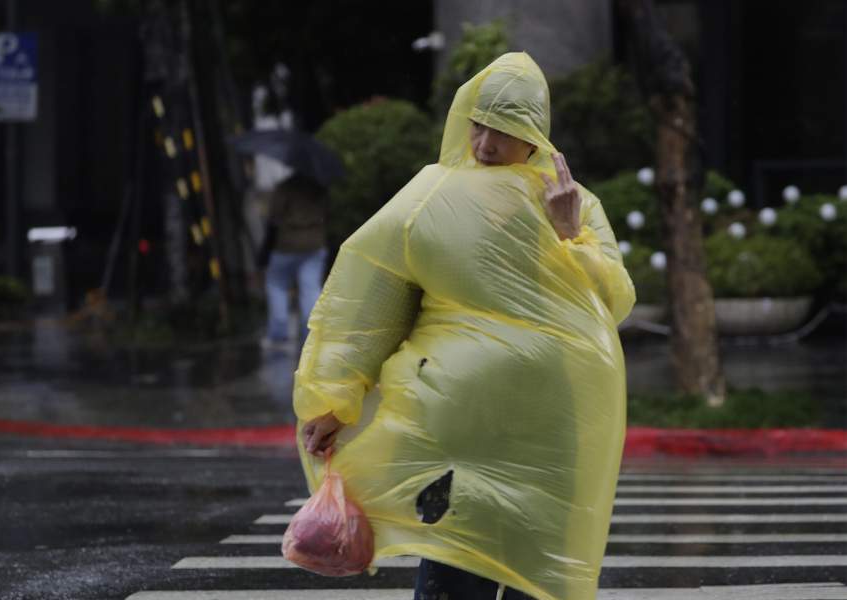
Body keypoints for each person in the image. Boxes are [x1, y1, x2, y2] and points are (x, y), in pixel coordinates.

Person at [292, 53, 635, 600]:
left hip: (550, 430)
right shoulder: (433, 195)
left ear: (534, 137)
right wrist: (336, 398)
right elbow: (372, 301)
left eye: (504, 131)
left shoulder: (573, 204)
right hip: (462, 433)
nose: (486, 144)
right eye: (479, 125)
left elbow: (612, 302)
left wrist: (570, 234)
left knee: (539, 579)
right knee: (453, 575)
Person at [257, 172, 328, 348]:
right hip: (315, 243)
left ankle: (279, 335)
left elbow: (274, 217)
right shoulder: (319, 187)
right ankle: (311, 334)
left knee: (276, 284)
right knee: (310, 288)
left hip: (287, 244)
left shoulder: (285, 187)